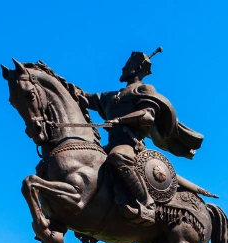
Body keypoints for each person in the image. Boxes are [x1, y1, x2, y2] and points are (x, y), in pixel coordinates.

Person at [83, 49, 204, 225]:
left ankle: (146, 204)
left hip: (130, 143)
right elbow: (86, 97)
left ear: (138, 68)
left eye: (127, 65)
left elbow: (148, 116)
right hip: (110, 144)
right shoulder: (110, 96)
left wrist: (120, 120)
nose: (123, 68)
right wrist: (59, 82)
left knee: (118, 157)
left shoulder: (144, 89)